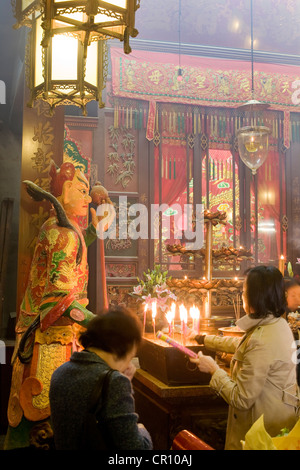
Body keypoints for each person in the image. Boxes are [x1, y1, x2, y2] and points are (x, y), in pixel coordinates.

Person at [5, 162, 115, 449]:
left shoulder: (57, 228)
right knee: (48, 420)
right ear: (64, 194)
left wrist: (92, 229)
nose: (89, 197)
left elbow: (74, 250)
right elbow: (59, 299)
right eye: (82, 190)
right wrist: (98, 323)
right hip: (49, 338)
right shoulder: (63, 233)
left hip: (42, 334)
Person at [191, 265, 299, 450]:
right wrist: (204, 339)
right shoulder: (277, 324)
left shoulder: (263, 338)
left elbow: (241, 398)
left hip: (260, 432)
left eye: (244, 291)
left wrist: (213, 370)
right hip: (279, 418)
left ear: (255, 296)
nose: (242, 296)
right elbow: (243, 345)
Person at [49, 307, 153, 451]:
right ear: (127, 346)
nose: (129, 363)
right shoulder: (113, 382)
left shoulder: (60, 372)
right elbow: (136, 448)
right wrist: (141, 430)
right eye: (132, 354)